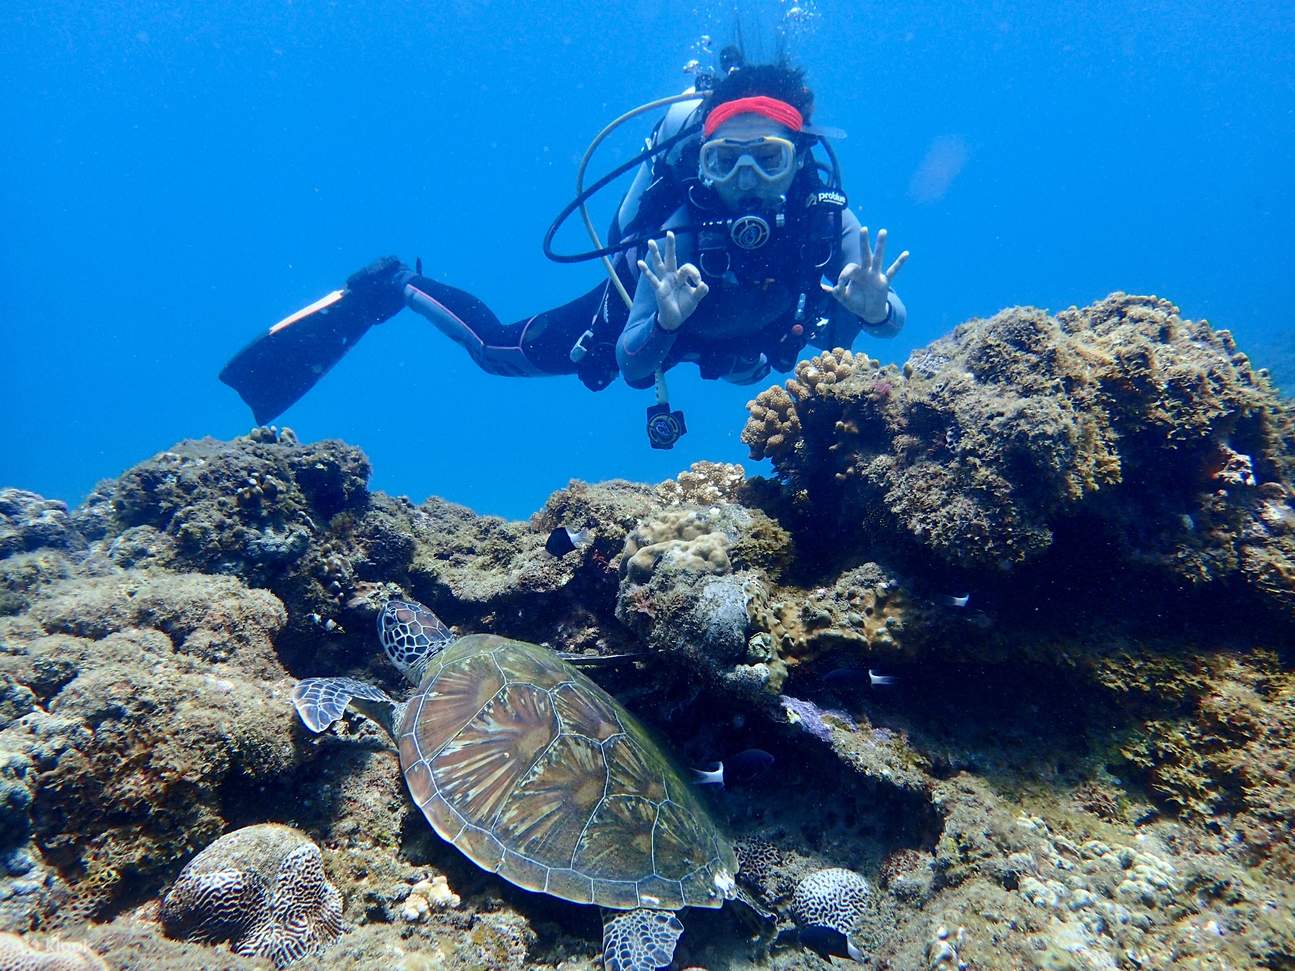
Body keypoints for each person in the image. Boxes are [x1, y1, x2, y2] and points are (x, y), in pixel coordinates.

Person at [219, 54, 908, 447]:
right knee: (495, 352)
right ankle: (393, 285)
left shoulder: (825, 221)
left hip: (752, 337)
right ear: (700, 161)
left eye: (768, 159)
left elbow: (867, 326)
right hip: (665, 330)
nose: (746, 181)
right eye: (726, 162)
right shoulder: (675, 232)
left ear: (799, 160)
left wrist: (874, 312)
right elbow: (635, 367)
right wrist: (662, 319)